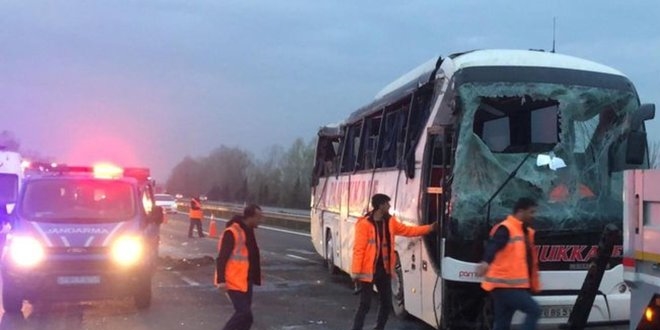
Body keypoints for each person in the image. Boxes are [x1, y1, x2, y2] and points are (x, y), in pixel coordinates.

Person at [350, 193, 437, 330]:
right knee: (365, 305)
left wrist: (429, 228)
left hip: (384, 270)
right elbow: (359, 249)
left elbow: (408, 230)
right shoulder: (364, 224)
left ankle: (379, 328)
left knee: (386, 303)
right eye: (387, 204)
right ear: (380, 206)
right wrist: (356, 271)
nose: (389, 206)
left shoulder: (390, 222)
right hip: (367, 272)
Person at [476, 197, 542, 330]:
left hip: (506, 286)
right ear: (520, 212)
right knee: (535, 310)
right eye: (531, 212)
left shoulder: (524, 231)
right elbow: (493, 245)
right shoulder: (506, 228)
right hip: (506, 286)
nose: (534, 216)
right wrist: (485, 262)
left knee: (502, 324)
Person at [215, 204, 263, 330]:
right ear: (250, 217)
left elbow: (251, 254)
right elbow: (222, 257)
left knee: (247, 318)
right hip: (233, 280)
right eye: (258, 217)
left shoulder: (248, 230)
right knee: (243, 313)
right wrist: (221, 280)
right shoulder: (232, 232)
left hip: (246, 280)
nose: (260, 220)